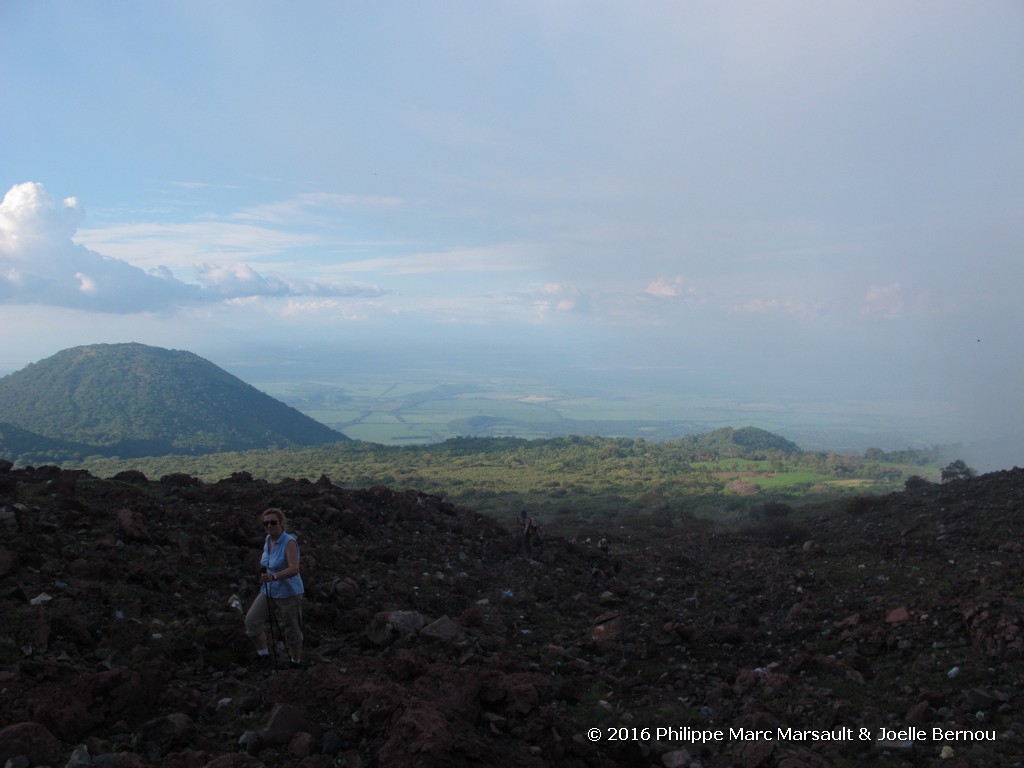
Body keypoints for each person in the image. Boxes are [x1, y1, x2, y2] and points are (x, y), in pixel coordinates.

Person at [245, 508, 304, 668]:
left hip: (289, 592)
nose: (269, 526)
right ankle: (264, 656)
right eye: (266, 523)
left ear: (281, 523)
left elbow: (294, 568)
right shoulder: (268, 540)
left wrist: (274, 576)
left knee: (292, 629)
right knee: (252, 622)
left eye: (273, 522)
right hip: (269, 590)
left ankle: (296, 663)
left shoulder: (289, 542)